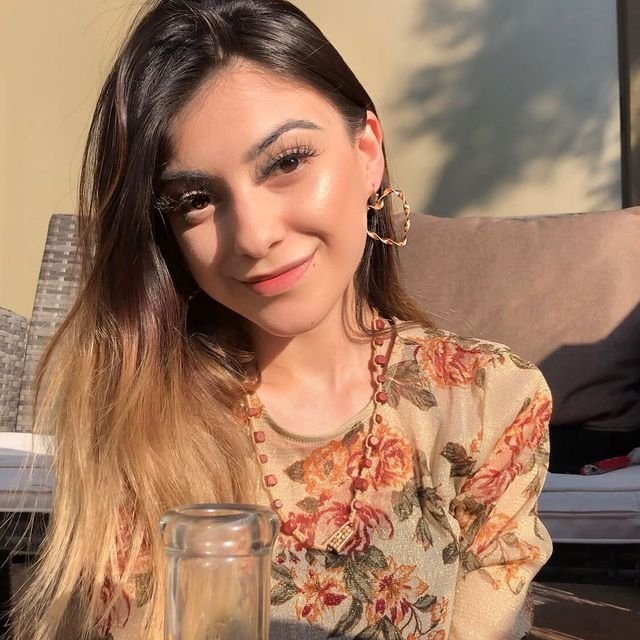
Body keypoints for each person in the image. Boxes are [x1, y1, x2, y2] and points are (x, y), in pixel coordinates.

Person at [13, 1, 553, 638]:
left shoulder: (488, 402)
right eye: (195, 199)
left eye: (287, 162)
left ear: (367, 151)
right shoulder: (140, 414)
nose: (253, 235)